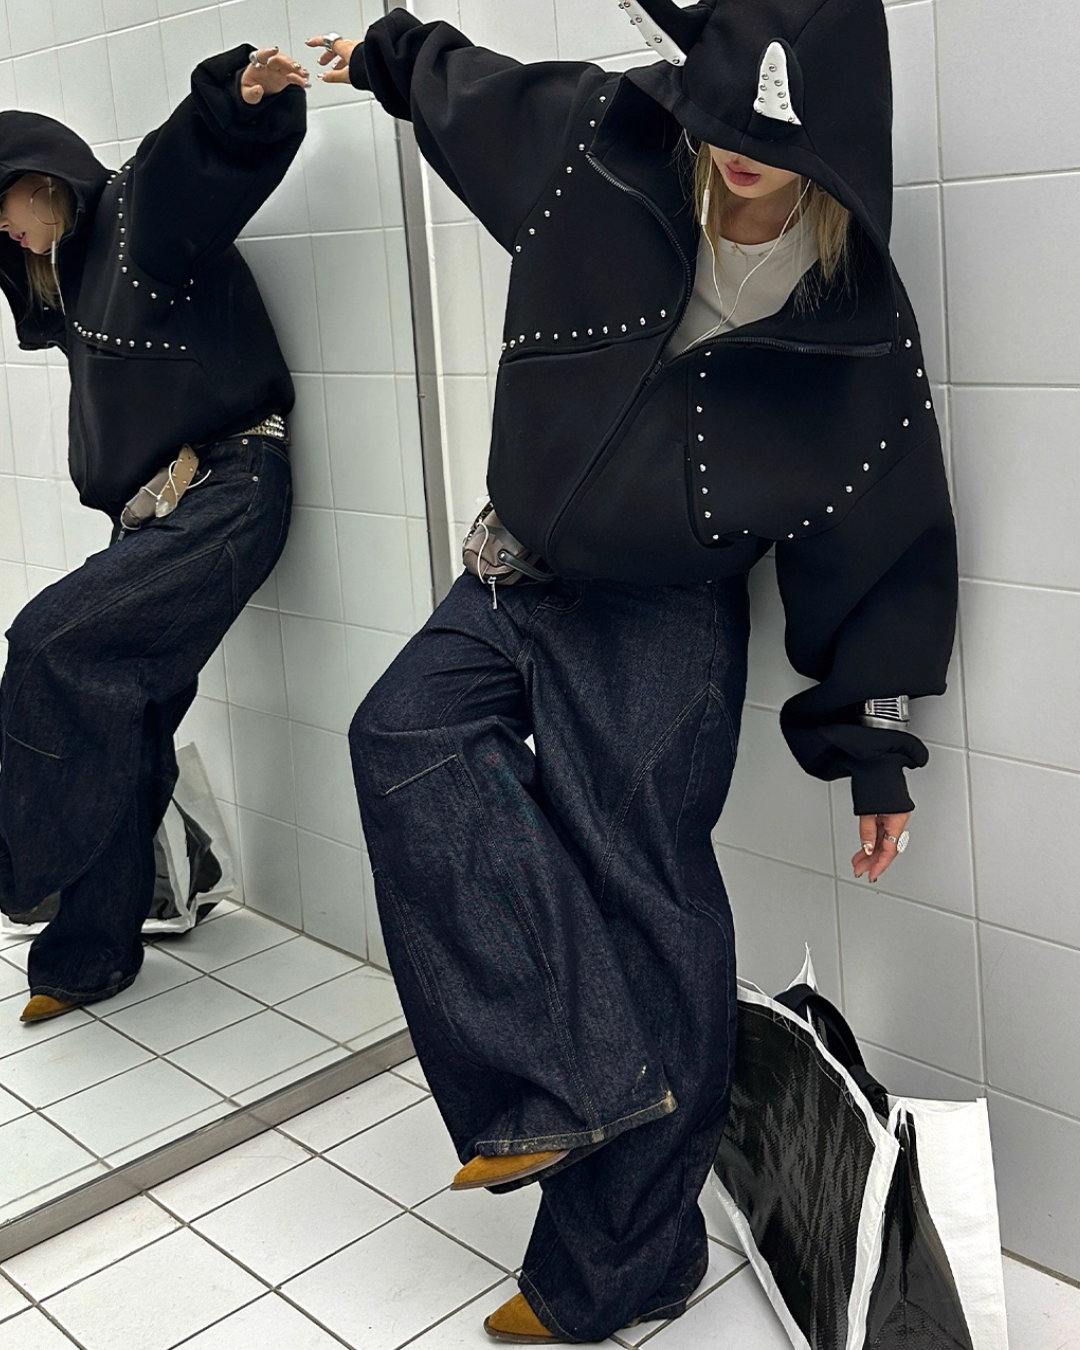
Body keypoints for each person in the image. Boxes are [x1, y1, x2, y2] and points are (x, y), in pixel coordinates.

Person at [312, 0, 958, 1341]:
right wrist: (385, 50)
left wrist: (872, 745)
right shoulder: (597, 142)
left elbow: (876, 534)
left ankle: (620, 1267)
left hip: (663, 614)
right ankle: (562, 1085)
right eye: (729, 117)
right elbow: (465, 94)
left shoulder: (854, 321)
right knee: (402, 735)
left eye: (778, 133)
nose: (742, 150)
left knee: (645, 891)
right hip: (513, 569)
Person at [0, 42, 309, 1024]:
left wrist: (238, 102)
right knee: (122, 721)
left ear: (43, 180)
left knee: (47, 642)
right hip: (166, 511)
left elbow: (188, 168)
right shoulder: (72, 273)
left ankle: (21, 871)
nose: (3, 229)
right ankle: (88, 956)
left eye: (3, 204)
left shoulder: (133, 219)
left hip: (232, 490)